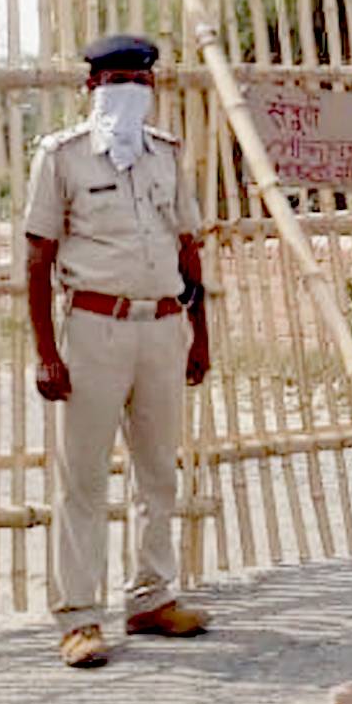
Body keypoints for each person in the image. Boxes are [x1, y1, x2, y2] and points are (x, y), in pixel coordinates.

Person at [25, 34, 214, 670]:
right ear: (90, 88)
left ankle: (152, 596)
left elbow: (188, 248)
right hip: (93, 327)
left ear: (153, 87)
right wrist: (46, 351)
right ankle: (79, 617)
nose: (127, 91)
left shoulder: (166, 154)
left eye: (137, 80)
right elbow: (38, 256)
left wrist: (200, 333)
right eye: (114, 80)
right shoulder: (62, 156)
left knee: (158, 468)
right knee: (81, 477)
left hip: (162, 324)